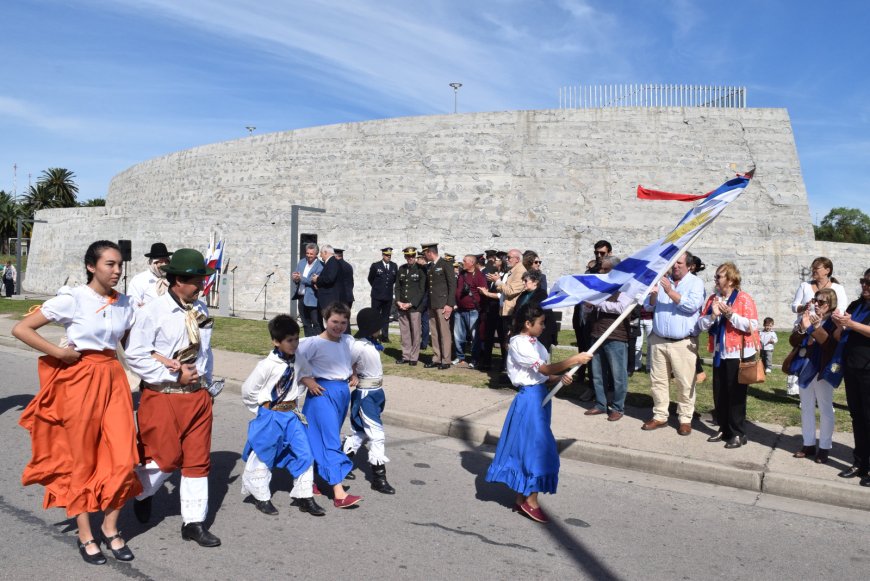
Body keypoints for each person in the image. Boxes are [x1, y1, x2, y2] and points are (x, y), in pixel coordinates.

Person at [13, 240, 140, 565]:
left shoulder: (125, 303)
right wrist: (58, 353)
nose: (116, 270)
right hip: (80, 378)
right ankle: (87, 534)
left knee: (124, 457)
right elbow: (22, 328)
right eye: (110, 264)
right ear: (91, 266)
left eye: (119, 265)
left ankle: (111, 528)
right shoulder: (73, 299)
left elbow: (131, 345)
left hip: (113, 378)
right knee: (80, 458)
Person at [125, 248, 222, 548]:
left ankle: (193, 522)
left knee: (197, 461)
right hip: (163, 395)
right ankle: (141, 492)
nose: (201, 286)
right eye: (196, 281)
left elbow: (205, 352)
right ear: (178, 280)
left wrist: (207, 385)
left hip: (197, 397)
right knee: (164, 458)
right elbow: (135, 356)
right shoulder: (151, 312)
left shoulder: (201, 309)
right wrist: (173, 374)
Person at [485, 303, 592, 523]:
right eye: (541, 323)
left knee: (530, 448)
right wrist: (574, 359)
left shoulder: (538, 346)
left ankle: (521, 497)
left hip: (541, 397)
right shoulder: (518, 343)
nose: (544, 327)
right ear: (528, 323)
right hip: (529, 401)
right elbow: (542, 369)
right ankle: (530, 500)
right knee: (540, 451)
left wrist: (560, 379)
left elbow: (545, 375)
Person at [240, 314, 325, 517]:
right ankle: (260, 496)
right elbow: (248, 390)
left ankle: (304, 496)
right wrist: (263, 410)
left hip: (292, 415)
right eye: (289, 340)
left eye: (296, 338)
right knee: (263, 453)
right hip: (271, 414)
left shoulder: (299, 359)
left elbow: (303, 372)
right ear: (276, 341)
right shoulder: (266, 366)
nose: (294, 344)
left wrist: (306, 381)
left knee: (304, 452)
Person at [296, 302, 363, 508]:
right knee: (331, 440)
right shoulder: (312, 343)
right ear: (326, 320)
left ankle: (312, 480)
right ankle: (339, 493)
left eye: (343, 322)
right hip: (321, 394)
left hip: (342, 393)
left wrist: (353, 372)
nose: (339, 326)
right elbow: (292, 361)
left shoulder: (347, 340)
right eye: (335, 321)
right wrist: (307, 380)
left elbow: (351, 359)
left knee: (320, 437)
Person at [696, 263, 761, 448]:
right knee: (720, 393)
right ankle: (724, 428)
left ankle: (738, 433)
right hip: (720, 352)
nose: (715, 280)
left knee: (736, 395)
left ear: (731, 279)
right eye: (716, 277)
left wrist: (731, 315)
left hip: (738, 353)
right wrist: (713, 316)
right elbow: (700, 325)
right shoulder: (713, 299)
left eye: (719, 277)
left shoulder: (743, 299)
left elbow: (752, 325)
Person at [642, 252, 705, 435]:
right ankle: (660, 415)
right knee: (658, 381)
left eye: (679, 263)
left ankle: (685, 418)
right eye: (673, 263)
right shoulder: (662, 280)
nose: (675, 266)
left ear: (689, 265)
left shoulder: (695, 283)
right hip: (659, 339)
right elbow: (648, 306)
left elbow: (691, 306)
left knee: (685, 383)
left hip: (682, 343)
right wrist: (654, 296)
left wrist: (669, 291)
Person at [343, 308, 396, 494]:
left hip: (376, 393)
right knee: (377, 435)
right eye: (379, 325)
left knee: (361, 432)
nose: (381, 328)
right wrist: (353, 373)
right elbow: (343, 362)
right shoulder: (359, 345)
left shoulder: (370, 343)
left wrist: (355, 371)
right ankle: (378, 479)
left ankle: (341, 462)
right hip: (366, 394)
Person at [789, 288, 840, 463]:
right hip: (805, 366)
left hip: (822, 369)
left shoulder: (834, 321)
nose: (817, 305)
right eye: (815, 301)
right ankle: (808, 443)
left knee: (825, 409)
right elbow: (793, 341)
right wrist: (803, 329)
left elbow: (830, 346)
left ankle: (825, 447)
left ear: (830, 305)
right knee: (806, 407)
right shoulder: (808, 316)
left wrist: (816, 328)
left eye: (822, 302)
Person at [787, 257, 848, 396]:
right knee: (801, 357)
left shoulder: (838, 288)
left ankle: (821, 391)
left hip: (825, 329)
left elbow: (841, 309)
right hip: (804, 328)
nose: (813, 270)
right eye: (812, 268)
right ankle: (798, 385)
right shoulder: (805, 285)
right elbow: (794, 306)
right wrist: (804, 307)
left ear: (827, 270)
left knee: (822, 359)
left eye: (817, 268)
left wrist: (824, 317)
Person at [832, 269, 870, 486]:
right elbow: (839, 336)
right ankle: (860, 462)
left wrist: (852, 324)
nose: (864, 285)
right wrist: (839, 325)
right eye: (862, 281)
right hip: (852, 367)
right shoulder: (856, 306)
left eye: (868, 282)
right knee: (857, 417)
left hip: (868, 369)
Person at [585, 256, 633, 422]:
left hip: (616, 336)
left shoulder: (626, 287)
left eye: (605, 269)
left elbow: (621, 307)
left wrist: (597, 303)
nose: (601, 271)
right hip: (597, 333)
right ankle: (600, 404)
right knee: (597, 374)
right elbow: (591, 309)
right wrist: (588, 305)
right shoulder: (601, 287)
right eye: (601, 268)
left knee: (618, 375)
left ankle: (618, 407)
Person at [421, 243, 456, 369]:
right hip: (432, 304)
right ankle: (436, 357)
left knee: (444, 333)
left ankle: (446, 360)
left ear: (430, 252)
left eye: (425, 253)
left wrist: (450, 304)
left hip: (443, 304)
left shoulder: (445, 264)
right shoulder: (430, 266)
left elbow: (452, 285)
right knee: (434, 333)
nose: (424, 256)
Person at [394, 246, 427, 366]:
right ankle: (405, 355)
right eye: (408, 256)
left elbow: (421, 290)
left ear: (415, 256)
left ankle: (414, 357)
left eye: (412, 256)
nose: (410, 258)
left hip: (414, 307)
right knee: (405, 332)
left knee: (415, 332)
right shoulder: (401, 269)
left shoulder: (421, 269)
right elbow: (397, 287)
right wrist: (398, 301)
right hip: (401, 305)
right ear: (405, 257)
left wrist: (411, 303)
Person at [453, 254, 486, 368]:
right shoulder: (462, 274)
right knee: (458, 335)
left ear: (471, 263)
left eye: (464, 261)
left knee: (474, 337)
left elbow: (483, 292)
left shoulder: (479, 276)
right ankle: (460, 357)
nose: (462, 262)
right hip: (459, 310)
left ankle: (475, 359)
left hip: (473, 311)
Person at [127, 242, 173, 309]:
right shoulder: (139, 280)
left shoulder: (174, 279)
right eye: (160, 262)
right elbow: (133, 305)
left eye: (166, 261)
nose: (164, 264)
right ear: (152, 263)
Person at [292, 242, 324, 337]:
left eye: (311, 254)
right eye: (307, 253)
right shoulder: (302, 262)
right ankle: (308, 342)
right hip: (301, 296)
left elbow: (314, 281)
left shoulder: (320, 266)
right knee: (305, 323)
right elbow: (297, 275)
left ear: (316, 254)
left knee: (316, 323)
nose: (309, 255)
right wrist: (296, 278)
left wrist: (301, 278)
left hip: (313, 298)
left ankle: (320, 343)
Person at [368, 247, 398, 340]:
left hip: (388, 296)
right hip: (377, 296)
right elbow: (370, 279)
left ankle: (385, 336)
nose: (388, 257)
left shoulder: (394, 266)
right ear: (383, 255)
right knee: (375, 316)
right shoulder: (376, 265)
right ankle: (373, 335)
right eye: (386, 255)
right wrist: (378, 288)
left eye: (390, 255)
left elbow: (394, 280)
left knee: (386, 317)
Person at [312, 245, 343, 322]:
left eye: (321, 253)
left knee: (329, 321)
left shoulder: (332, 262)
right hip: (328, 298)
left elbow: (330, 279)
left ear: (325, 252)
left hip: (329, 299)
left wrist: (317, 279)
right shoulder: (330, 262)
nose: (320, 255)